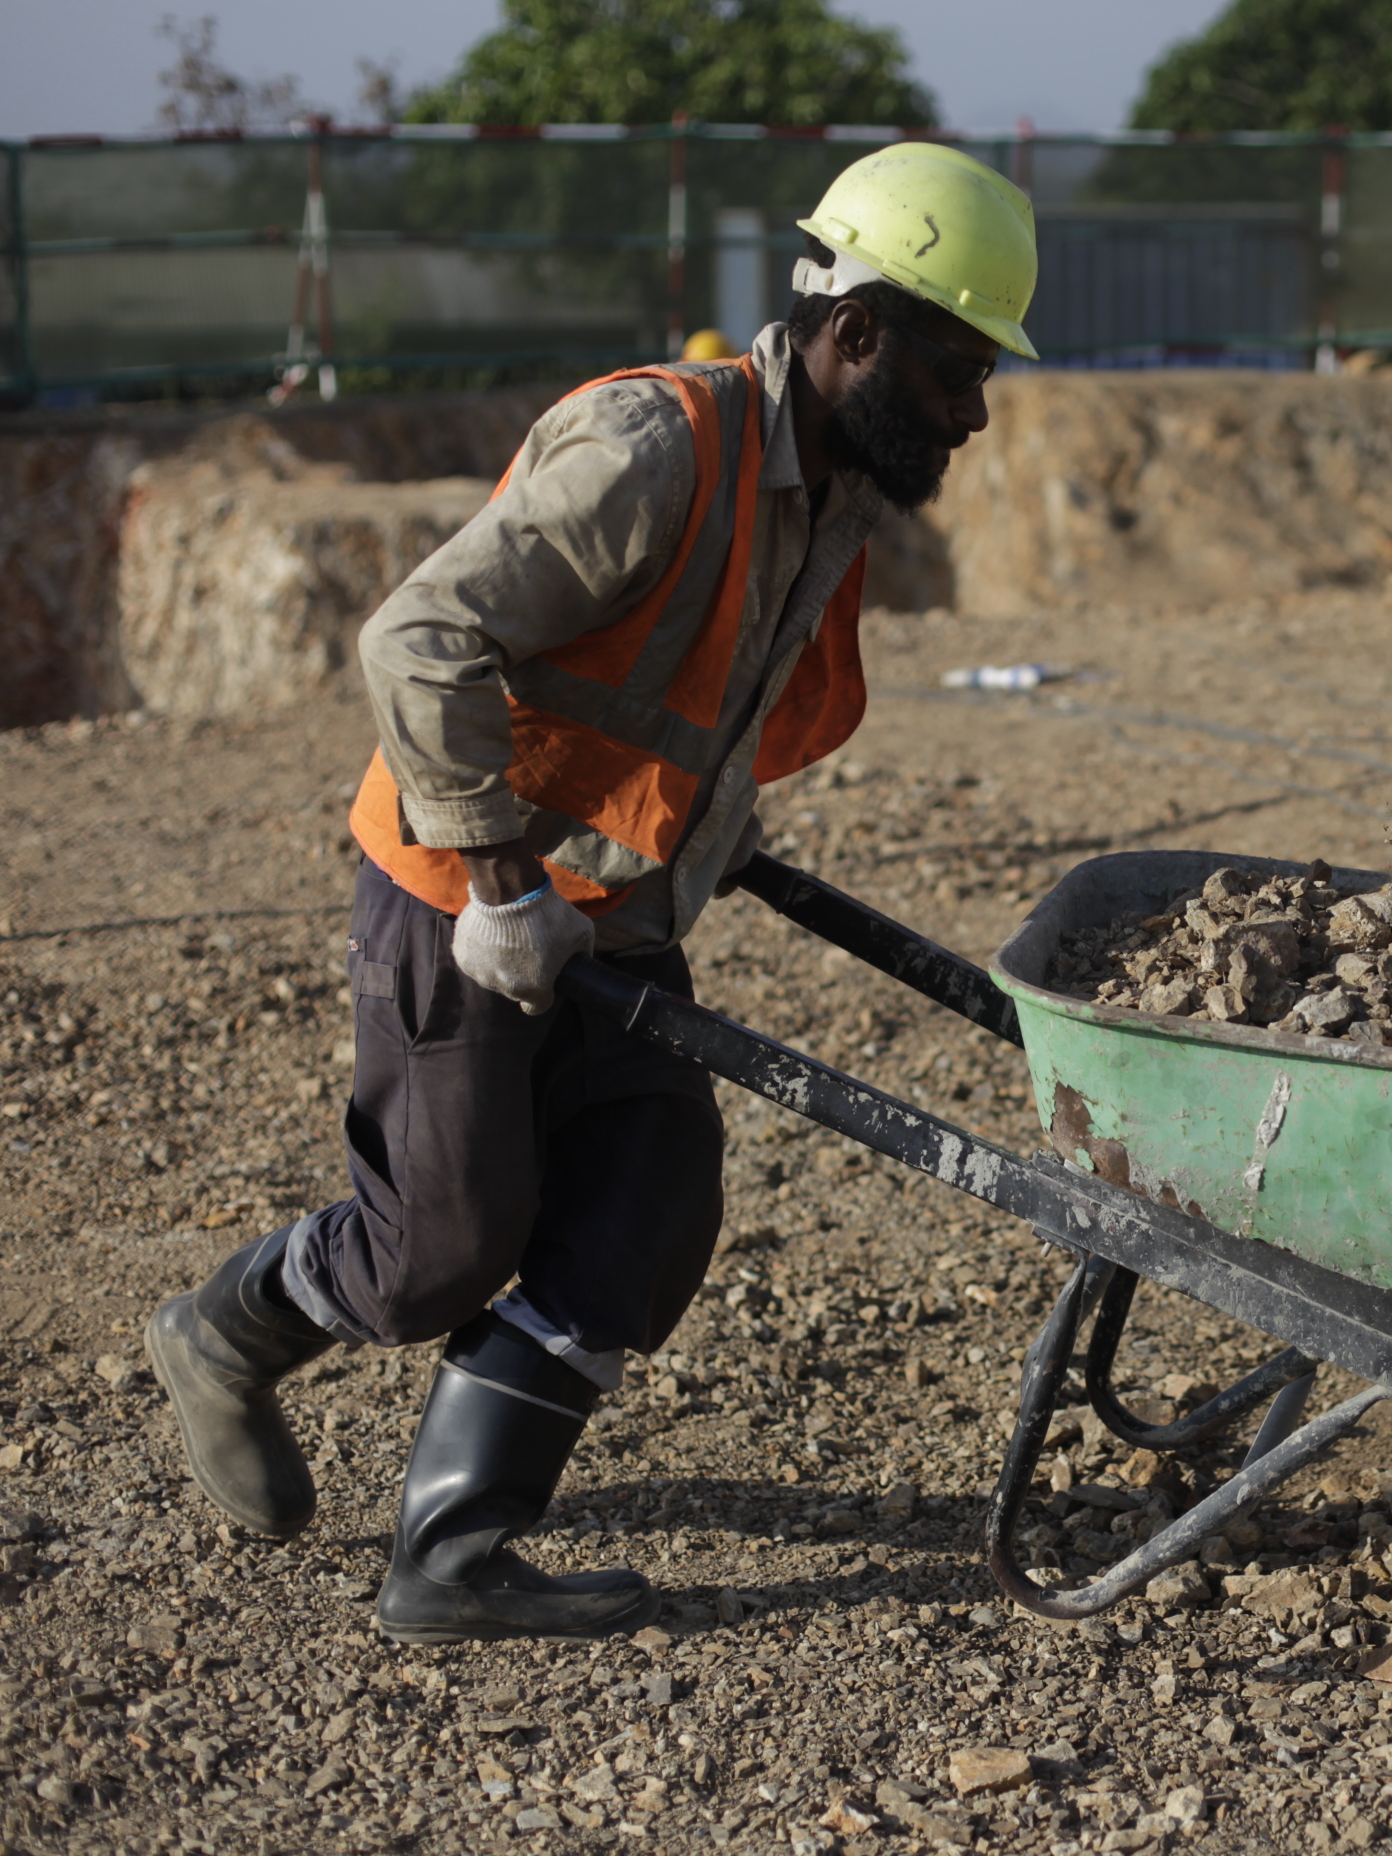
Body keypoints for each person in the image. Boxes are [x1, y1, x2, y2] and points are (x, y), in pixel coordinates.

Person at [142, 143, 1039, 1645]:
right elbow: (418, 639)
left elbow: (689, 692)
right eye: (956, 366)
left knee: (648, 1200)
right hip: (460, 893)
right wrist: (500, 886)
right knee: (441, 1244)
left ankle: (451, 1554)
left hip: (611, 910)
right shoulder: (659, 445)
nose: (975, 407)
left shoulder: (828, 496)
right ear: (858, 334)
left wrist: (707, 834)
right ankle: (224, 1331)